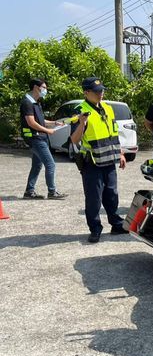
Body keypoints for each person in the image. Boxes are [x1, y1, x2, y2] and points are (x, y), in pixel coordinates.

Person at [70, 77, 127, 243]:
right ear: (86, 93)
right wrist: (82, 123)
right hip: (92, 163)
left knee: (112, 195)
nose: (100, 94)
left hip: (109, 160)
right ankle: (95, 228)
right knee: (94, 198)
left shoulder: (108, 108)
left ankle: (116, 224)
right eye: (96, 92)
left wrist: (121, 153)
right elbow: (74, 139)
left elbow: (114, 134)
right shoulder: (80, 110)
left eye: (101, 90)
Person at [21, 78, 68, 200]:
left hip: (40, 137)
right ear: (36, 88)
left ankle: (29, 191)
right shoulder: (27, 102)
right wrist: (48, 131)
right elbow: (31, 122)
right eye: (44, 87)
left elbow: (41, 121)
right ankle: (52, 192)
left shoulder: (36, 102)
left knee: (37, 165)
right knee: (50, 164)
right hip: (35, 138)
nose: (45, 90)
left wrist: (54, 123)